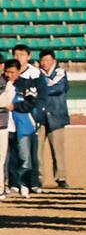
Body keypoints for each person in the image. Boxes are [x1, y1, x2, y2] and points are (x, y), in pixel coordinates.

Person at [10, 44, 44, 192]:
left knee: (30, 152)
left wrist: (38, 115)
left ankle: (33, 182)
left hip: (29, 118)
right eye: (16, 55)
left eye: (22, 55)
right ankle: (15, 183)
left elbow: (41, 96)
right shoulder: (9, 75)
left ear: (28, 56)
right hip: (11, 120)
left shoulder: (35, 74)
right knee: (13, 153)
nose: (19, 58)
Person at [3, 60, 37, 197]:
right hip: (6, 126)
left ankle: (24, 183)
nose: (9, 75)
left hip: (23, 126)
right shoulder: (2, 84)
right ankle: (11, 185)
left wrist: (15, 107)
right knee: (7, 158)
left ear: (18, 71)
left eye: (12, 72)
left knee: (24, 157)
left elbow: (31, 103)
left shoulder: (26, 84)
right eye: (7, 72)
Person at [37, 50, 69, 188]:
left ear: (53, 60)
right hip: (39, 115)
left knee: (58, 149)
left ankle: (61, 177)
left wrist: (41, 89)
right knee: (37, 150)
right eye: (42, 60)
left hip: (56, 115)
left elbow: (59, 88)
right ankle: (38, 178)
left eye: (47, 60)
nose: (45, 63)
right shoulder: (36, 73)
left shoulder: (61, 73)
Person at [0, 68, 14, 196]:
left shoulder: (7, 82)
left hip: (1, 124)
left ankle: (0, 188)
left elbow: (7, 100)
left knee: (1, 159)